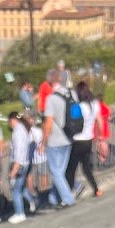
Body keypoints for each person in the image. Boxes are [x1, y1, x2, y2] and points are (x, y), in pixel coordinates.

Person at [40, 68, 76, 208]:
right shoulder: (71, 93)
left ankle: (68, 199)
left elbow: (48, 123)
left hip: (55, 140)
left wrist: (43, 142)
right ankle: (53, 198)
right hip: (69, 137)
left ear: (49, 82)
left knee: (56, 172)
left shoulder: (51, 99)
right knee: (60, 171)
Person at [65, 81, 100, 199]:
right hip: (88, 139)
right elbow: (98, 119)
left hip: (77, 140)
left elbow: (72, 121)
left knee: (71, 170)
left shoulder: (78, 107)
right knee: (86, 168)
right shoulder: (94, 104)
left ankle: (69, 194)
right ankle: (96, 189)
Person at [7, 112, 36, 223]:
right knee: (22, 187)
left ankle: (19, 213)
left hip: (20, 163)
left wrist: (14, 169)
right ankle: (31, 202)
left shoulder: (18, 132)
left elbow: (19, 150)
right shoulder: (23, 129)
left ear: (12, 120)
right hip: (25, 162)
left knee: (16, 191)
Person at [95, 93, 111, 164]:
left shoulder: (97, 108)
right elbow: (109, 118)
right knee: (103, 143)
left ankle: (103, 156)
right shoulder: (105, 106)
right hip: (105, 127)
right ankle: (103, 156)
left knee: (101, 143)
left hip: (99, 128)